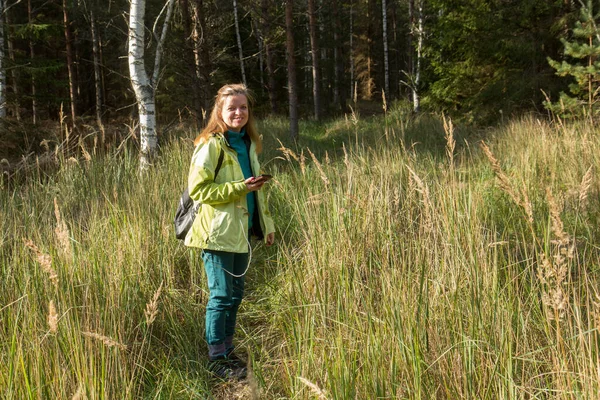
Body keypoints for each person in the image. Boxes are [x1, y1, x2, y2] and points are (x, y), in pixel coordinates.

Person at [184, 84, 275, 380]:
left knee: (235, 296)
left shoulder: (248, 143)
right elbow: (198, 189)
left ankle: (228, 350)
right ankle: (216, 359)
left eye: (244, 107)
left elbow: (256, 193)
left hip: (242, 232)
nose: (239, 112)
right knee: (221, 297)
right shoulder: (211, 144)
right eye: (232, 108)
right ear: (220, 112)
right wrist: (240, 187)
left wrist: (267, 225)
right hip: (217, 235)